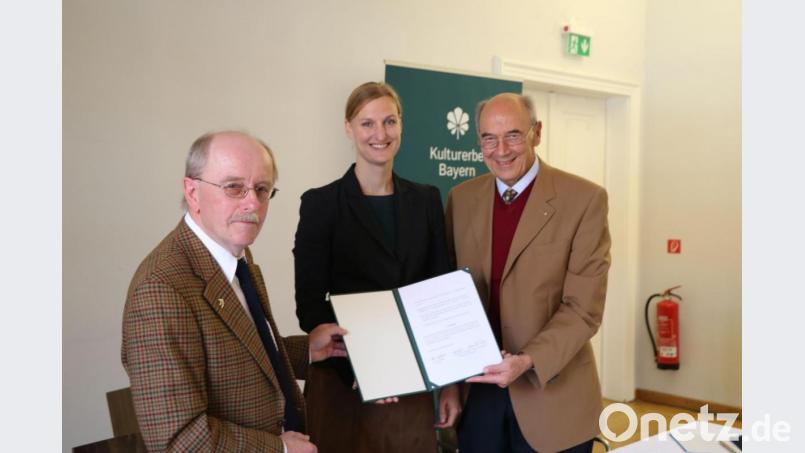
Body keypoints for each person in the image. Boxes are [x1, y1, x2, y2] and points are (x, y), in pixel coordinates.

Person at [122, 131, 347, 453]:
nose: (252, 202)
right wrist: (278, 450)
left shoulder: (234, 253)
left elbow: (241, 356)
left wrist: (307, 351)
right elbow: (177, 441)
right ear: (192, 191)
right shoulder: (160, 289)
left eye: (262, 189)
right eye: (233, 187)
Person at [293, 81, 460, 452]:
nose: (380, 134)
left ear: (402, 125)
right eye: (367, 123)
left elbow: (440, 297)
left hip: (410, 381)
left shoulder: (427, 200)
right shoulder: (322, 204)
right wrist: (368, 361)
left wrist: (450, 382)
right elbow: (309, 305)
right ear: (348, 128)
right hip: (344, 381)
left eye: (389, 121)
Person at [446, 93, 611, 453]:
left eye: (513, 136)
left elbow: (584, 309)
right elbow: (450, 294)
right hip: (480, 396)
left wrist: (528, 360)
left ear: (537, 133)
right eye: (489, 138)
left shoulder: (584, 200)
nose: (500, 149)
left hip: (552, 395)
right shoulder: (461, 199)